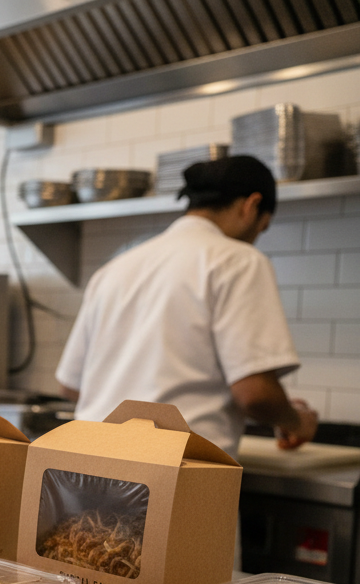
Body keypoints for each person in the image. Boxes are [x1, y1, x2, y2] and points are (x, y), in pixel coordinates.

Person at [56, 155, 318, 462]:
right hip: (171, 470)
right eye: (263, 226)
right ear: (251, 205)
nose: (257, 237)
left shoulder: (115, 268)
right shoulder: (238, 260)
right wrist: (296, 421)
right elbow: (255, 394)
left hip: (83, 464)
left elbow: (70, 386)